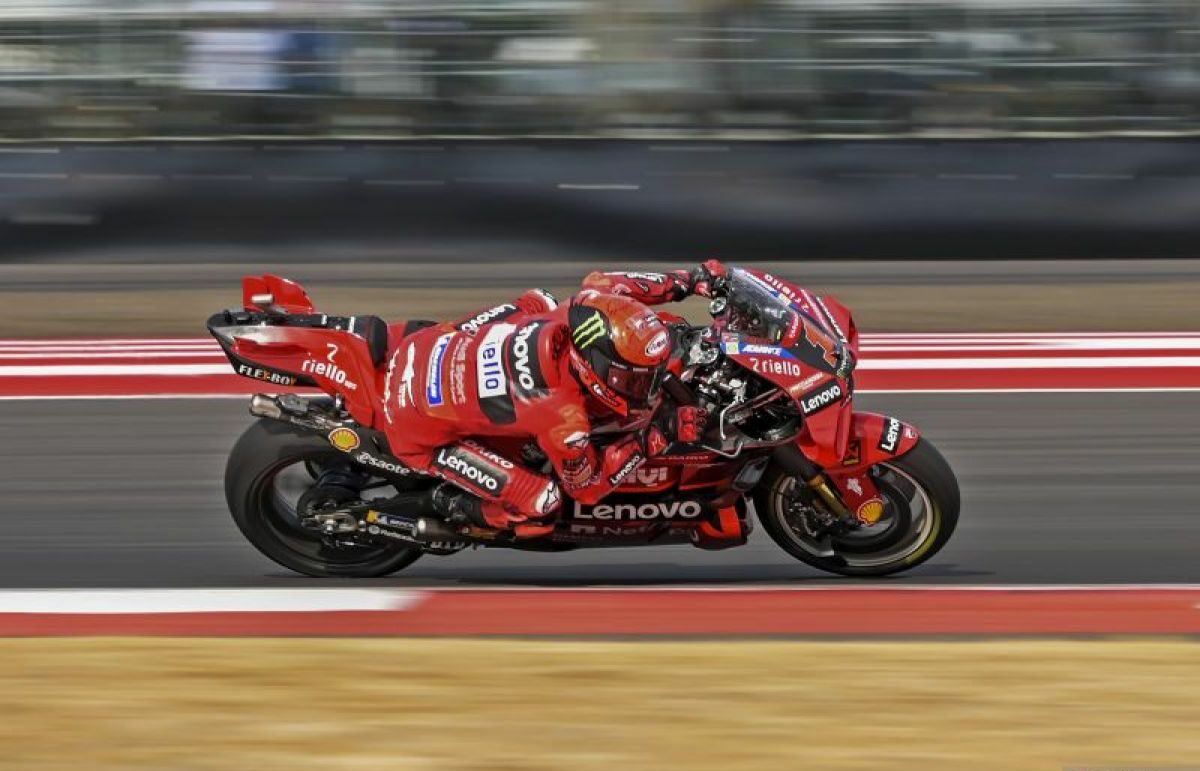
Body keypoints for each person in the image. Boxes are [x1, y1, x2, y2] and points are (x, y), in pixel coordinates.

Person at [381, 260, 727, 538]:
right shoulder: (566, 420)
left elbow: (609, 283)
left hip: (422, 348)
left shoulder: (583, 307)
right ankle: (452, 508)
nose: (646, 387)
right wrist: (657, 436)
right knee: (542, 500)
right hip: (414, 426)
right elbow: (588, 489)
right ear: (592, 367)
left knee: (540, 302)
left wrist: (689, 281)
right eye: (632, 379)